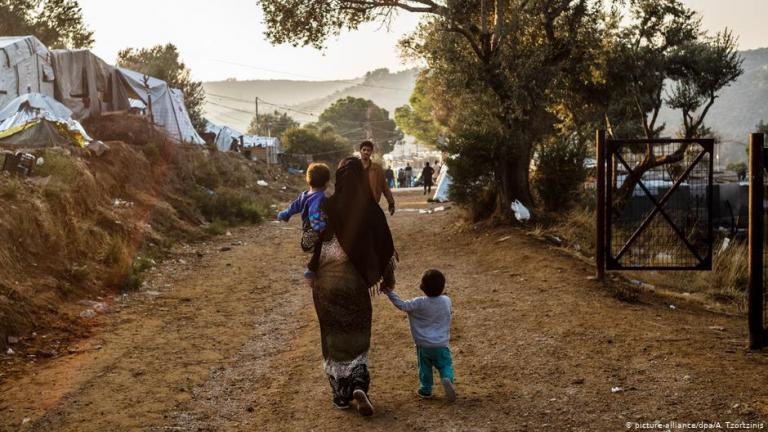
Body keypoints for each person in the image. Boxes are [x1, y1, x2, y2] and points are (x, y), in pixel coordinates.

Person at [305, 157, 397, 416]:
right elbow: (385, 246)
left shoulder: (326, 205)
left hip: (325, 283)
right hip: (354, 282)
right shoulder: (371, 209)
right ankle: (358, 382)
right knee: (357, 330)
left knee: (332, 334)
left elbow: (310, 241)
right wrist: (387, 278)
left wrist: (311, 269)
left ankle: (341, 394)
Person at [382, 269, 456, 402]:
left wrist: (389, 292)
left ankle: (426, 390)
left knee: (425, 368)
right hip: (441, 345)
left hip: (423, 346)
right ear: (443, 286)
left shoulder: (418, 303)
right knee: (445, 365)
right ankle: (447, 378)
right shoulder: (446, 300)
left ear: (423, 287)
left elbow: (402, 305)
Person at [277, 163, 330, 252]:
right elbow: (314, 212)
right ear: (326, 182)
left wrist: (284, 214)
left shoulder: (304, 195)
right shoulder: (320, 198)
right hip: (314, 234)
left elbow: (293, 207)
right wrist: (320, 227)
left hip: (307, 232)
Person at [359, 141, 396, 215]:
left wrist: (391, 203)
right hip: (357, 205)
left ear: (371, 152)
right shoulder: (354, 167)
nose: (366, 152)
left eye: (368, 150)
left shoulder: (377, 169)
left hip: (372, 204)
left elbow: (384, 187)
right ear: (360, 151)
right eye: (364, 149)